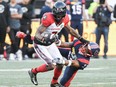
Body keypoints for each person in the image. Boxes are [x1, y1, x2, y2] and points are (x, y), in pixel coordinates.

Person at [26, 1, 89, 87]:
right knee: (52, 65)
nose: (58, 18)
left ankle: (54, 82)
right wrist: (44, 38)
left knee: (60, 63)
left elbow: (70, 30)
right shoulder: (48, 18)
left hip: (50, 43)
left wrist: (81, 38)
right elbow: (37, 34)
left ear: (64, 15)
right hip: (40, 44)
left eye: (60, 16)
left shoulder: (66, 18)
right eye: (56, 16)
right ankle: (33, 71)